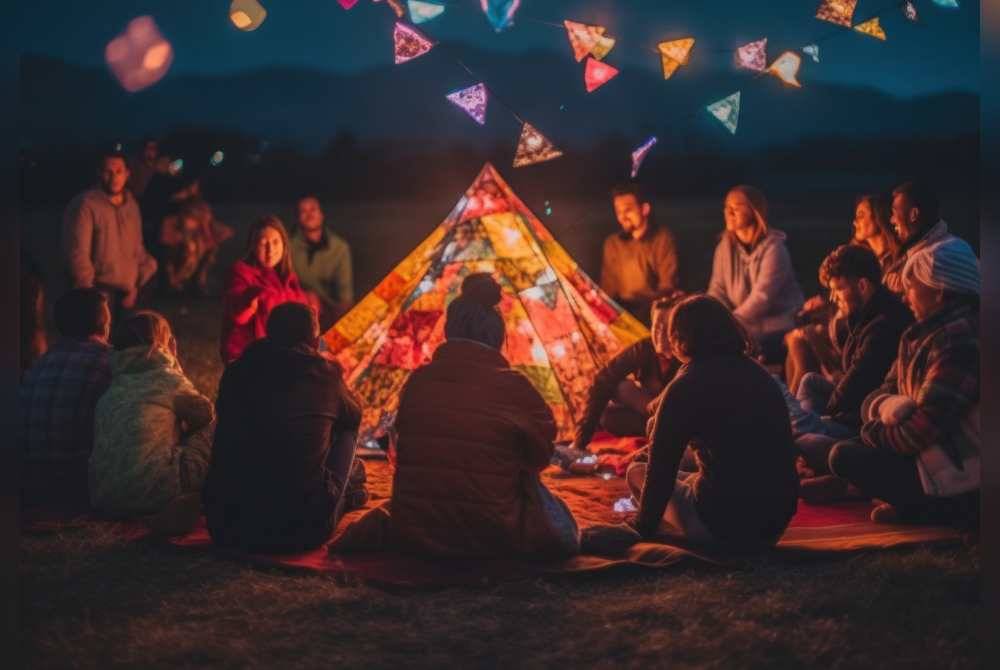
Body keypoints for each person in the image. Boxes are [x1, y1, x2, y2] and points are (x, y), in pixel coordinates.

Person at [387, 273, 580, 557]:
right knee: (563, 530)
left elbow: (399, 451)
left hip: (416, 530)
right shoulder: (515, 387)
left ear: (448, 332)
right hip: (494, 531)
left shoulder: (418, 381)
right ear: (498, 337)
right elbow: (539, 457)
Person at [624, 295, 799, 550]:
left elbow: (661, 469)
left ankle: (678, 529)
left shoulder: (685, 385)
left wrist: (641, 527)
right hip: (775, 523)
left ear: (680, 339)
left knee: (637, 472)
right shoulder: (758, 374)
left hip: (723, 526)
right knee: (697, 474)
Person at [827, 237, 980, 525]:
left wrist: (872, 432)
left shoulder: (960, 341)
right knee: (835, 447)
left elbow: (918, 433)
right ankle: (865, 488)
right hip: (922, 454)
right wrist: (884, 408)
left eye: (912, 286)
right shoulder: (921, 334)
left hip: (956, 475)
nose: (905, 296)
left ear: (940, 290)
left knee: (840, 455)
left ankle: (936, 510)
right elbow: (881, 391)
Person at [204, 302, 367, 553]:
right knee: (346, 429)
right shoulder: (324, 374)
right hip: (300, 529)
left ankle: (340, 489)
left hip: (227, 525)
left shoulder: (237, 371)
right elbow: (354, 417)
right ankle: (342, 497)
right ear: (314, 341)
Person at [790, 245, 913, 475]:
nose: (834, 298)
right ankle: (802, 434)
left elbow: (853, 388)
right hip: (846, 409)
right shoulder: (862, 315)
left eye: (838, 289)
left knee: (802, 438)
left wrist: (824, 417)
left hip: (861, 422)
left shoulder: (883, 325)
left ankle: (800, 437)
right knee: (808, 381)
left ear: (863, 285)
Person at [89, 311, 214, 528]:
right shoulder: (166, 379)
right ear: (166, 343)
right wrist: (176, 366)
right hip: (153, 492)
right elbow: (205, 414)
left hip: (104, 498)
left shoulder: (115, 382)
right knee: (215, 424)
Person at [784, 194, 901, 393]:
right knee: (795, 337)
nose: (855, 221)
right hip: (849, 323)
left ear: (880, 217)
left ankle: (797, 408)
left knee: (800, 338)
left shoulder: (893, 263)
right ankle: (797, 405)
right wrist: (826, 303)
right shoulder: (861, 255)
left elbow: (867, 302)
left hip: (863, 332)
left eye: (862, 215)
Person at [19, 289, 112, 510]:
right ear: (104, 323)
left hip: (29, 482)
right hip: (80, 482)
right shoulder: (110, 361)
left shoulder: (40, 364)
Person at [570, 291, 685, 451]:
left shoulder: (687, 356)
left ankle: (666, 434)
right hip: (652, 414)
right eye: (656, 326)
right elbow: (603, 379)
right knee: (613, 405)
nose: (659, 333)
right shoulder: (644, 348)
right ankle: (656, 431)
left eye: (666, 327)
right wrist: (580, 441)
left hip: (680, 416)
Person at [707, 185, 804, 364]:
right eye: (726, 207)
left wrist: (730, 324)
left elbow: (762, 297)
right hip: (741, 323)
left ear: (754, 210)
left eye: (735, 207)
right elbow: (717, 289)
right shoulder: (724, 247)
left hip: (776, 324)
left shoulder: (775, 248)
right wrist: (714, 315)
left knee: (729, 346)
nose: (728, 212)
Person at [63, 150, 158, 319]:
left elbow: (137, 249)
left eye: (119, 171)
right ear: (99, 173)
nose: (114, 177)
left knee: (128, 342)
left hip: (128, 291)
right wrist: (90, 294)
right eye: (108, 171)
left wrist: (137, 284)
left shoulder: (131, 205)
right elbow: (78, 253)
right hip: (100, 290)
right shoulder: (87, 205)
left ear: (127, 174)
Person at [220, 216, 309, 364]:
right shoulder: (241, 272)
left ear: (284, 244)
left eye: (275, 242)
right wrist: (249, 300)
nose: (270, 249)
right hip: (249, 357)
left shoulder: (288, 278)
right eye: (263, 243)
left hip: (282, 355)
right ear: (253, 246)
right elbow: (238, 311)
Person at [599, 183, 679, 325]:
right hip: (622, 314)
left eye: (628, 210)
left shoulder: (662, 239)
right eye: (618, 212)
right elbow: (608, 289)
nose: (623, 217)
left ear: (644, 209)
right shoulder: (613, 244)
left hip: (653, 314)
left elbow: (668, 286)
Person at [882, 181, 959, 294]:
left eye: (894, 212)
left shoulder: (927, 259)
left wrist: (901, 296)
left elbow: (930, 307)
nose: (891, 220)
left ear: (914, 214)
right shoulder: (955, 245)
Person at [289, 195, 354, 330]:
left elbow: (344, 294)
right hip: (296, 308)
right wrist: (304, 295)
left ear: (321, 214)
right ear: (297, 218)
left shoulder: (339, 247)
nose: (309, 215)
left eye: (313, 209)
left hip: (329, 311)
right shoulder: (287, 246)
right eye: (303, 211)